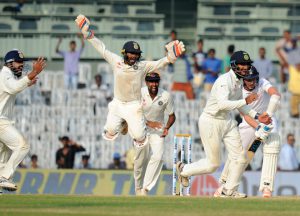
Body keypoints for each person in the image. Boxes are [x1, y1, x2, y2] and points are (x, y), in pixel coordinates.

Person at [74, 14, 184, 151]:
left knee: (139, 137)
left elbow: (159, 63)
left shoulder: (142, 66)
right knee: (110, 132)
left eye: (136, 54)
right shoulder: (116, 61)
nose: (134, 56)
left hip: (134, 105)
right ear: (124, 53)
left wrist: (170, 58)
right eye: (131, 53)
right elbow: (102, 49)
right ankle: (123, 123)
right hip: (118, 102)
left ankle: (128, 122)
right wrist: (87, 34)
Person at [176, 51, 272, 198]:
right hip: (211, 121)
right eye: (242, 64)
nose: (246, 68)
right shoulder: (223, 81)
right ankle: (183, 169)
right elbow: (222, 105)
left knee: (240, 158)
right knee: (213, 164)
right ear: (234, 65)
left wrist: (258, 116)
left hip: (227, 121)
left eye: (247, 65)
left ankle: (228, 191)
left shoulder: (239, 81)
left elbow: (241, 107)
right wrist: (246, 100)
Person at [215, 66, 281, 198]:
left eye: (254, 79)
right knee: (239, 155)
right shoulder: (238, 91)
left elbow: (276, 95)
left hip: (267, 120)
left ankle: (267, 187)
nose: (252, 82)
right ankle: (224, 185)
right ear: (243, 79)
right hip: (250, 123)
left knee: (272, 146)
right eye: (249, 80)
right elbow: (245, 115)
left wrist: (268, 115)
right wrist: (258, 127)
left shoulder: (262, 82)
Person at [0, 49, 46, 191]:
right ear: (9, 63)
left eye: (22, 62)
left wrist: (27, 82)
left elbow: (14, 86)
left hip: (4, 120)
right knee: (22, 145)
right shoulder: (4, 75)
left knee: (3, 159)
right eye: (18, 62)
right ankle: (5, 177)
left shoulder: (8, 76)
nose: (21, 65)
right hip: (1, 121)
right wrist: (33, 73)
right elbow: (13, 88)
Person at [134, 72, 176, 196]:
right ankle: (138, 187)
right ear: (146, 82)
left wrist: (167, 127)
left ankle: (145, 189)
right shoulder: (140, 93)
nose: (154, 84)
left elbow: (172, 116)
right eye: (151, 82)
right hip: (141, 130)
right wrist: (148, 123)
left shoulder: (165, 95)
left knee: (158, 157)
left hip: (158, 132)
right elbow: (133, 113)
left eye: (156, 81)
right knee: (140, 161)